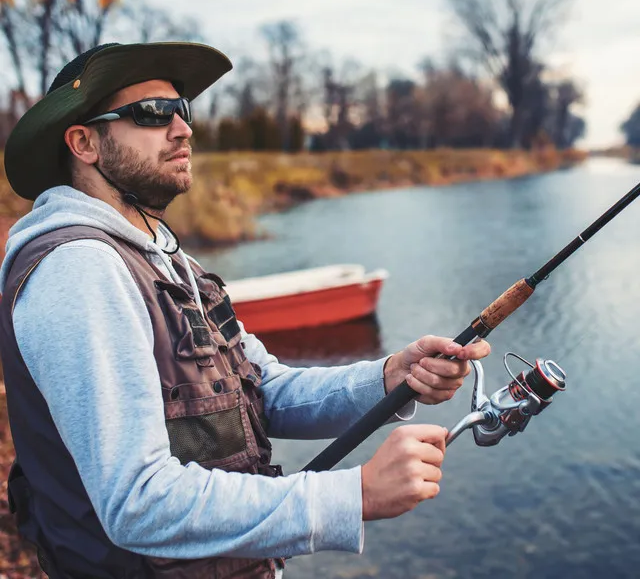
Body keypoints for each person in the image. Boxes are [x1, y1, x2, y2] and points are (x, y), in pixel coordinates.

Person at [0, 42, 491, 579]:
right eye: (151, 113)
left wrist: (390, 378)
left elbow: (262, 391)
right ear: (84, 142)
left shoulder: (165, 257)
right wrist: (353, 494)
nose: (183, 129)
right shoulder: (79, 268)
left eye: (181, 110)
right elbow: (138, 501)